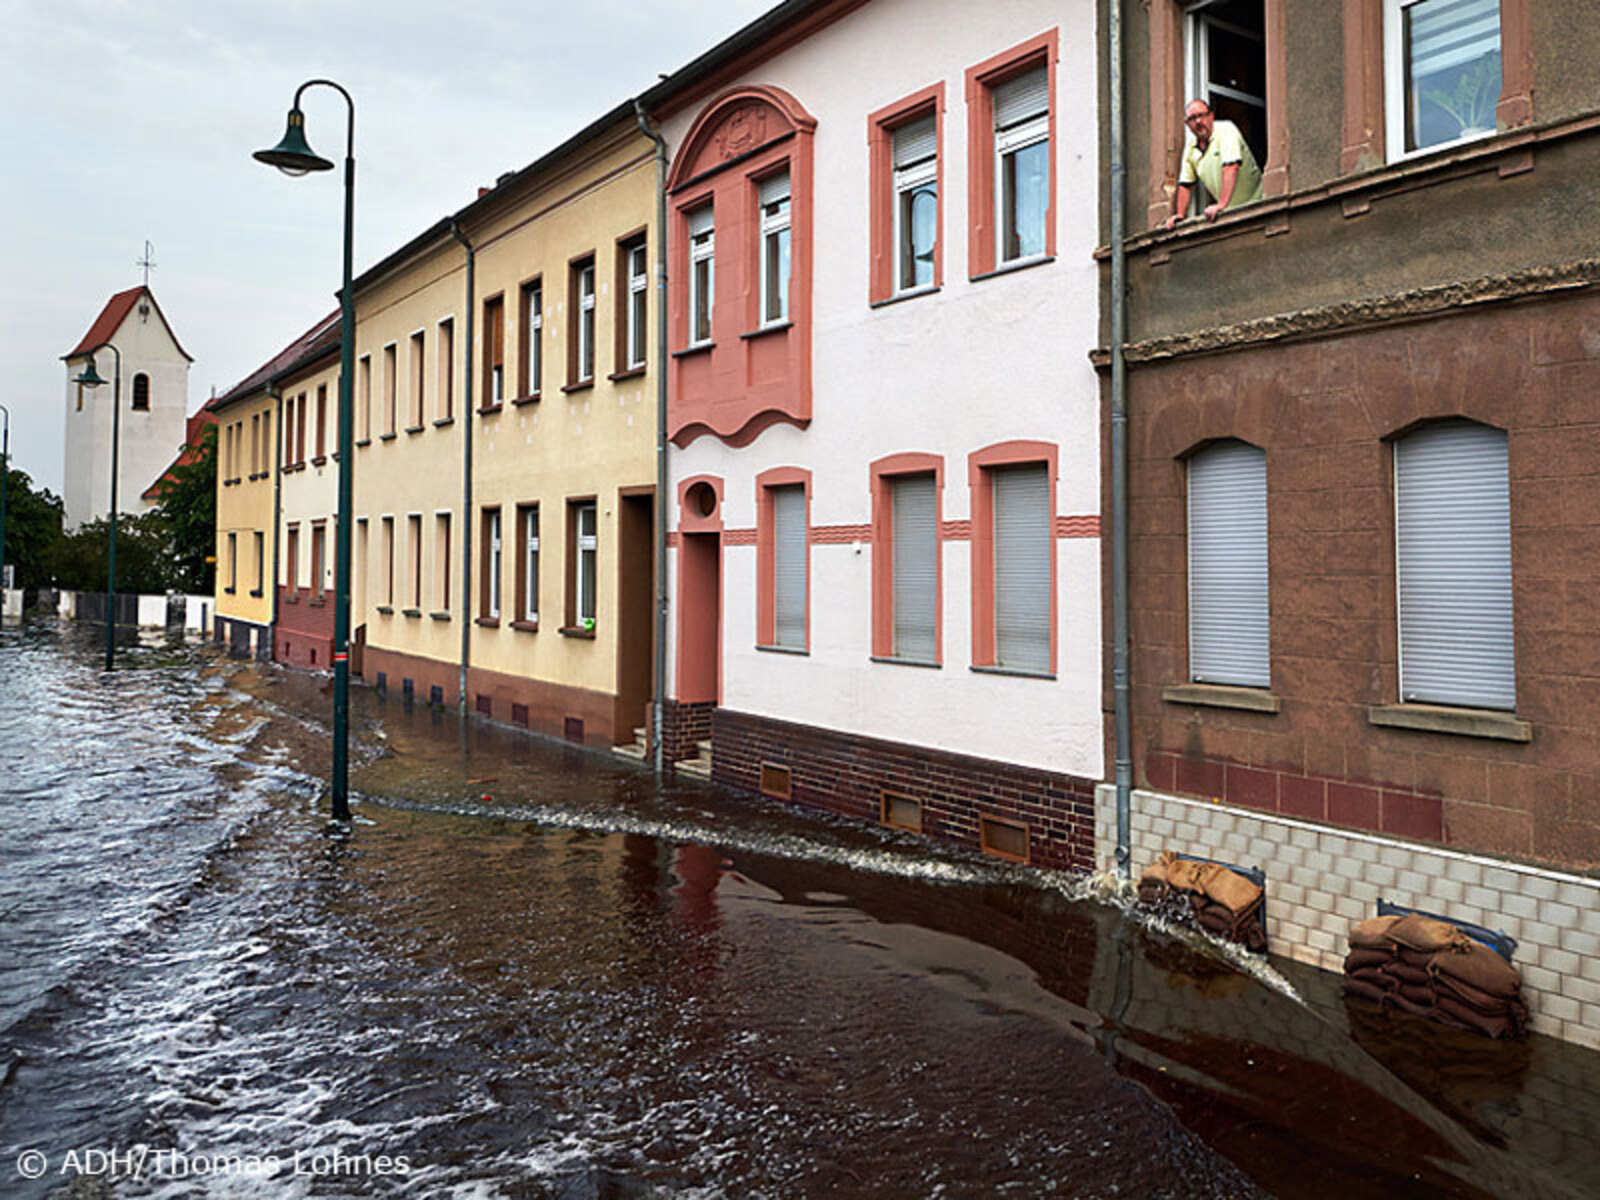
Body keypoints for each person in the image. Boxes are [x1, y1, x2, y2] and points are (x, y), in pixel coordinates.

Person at [1162, 99, 1262, 229]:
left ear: (1211, 116)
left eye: (1201, 115)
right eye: (1192, 118)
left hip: (1258, 204)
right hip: (1232, 214)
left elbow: (1231, 167)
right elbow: (1185, 184)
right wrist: (1180, 214)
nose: (1198, 121)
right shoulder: (1191, 146)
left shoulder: (1226, 130)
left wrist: (1221, 205)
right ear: (1187, 124)